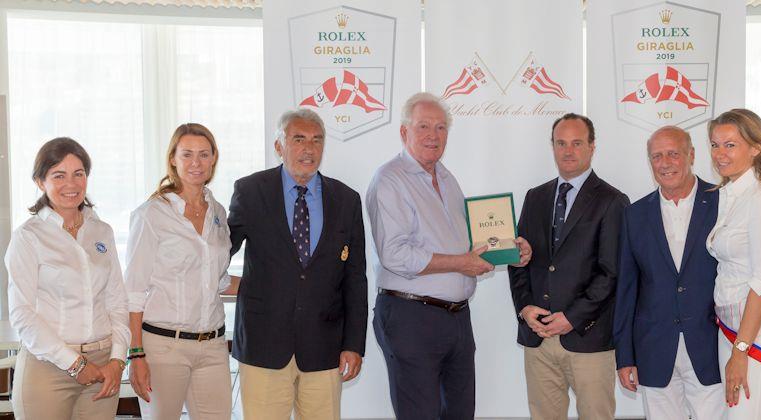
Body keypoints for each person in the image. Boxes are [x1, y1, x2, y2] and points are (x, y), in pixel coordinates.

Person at [367, 92, 532, 420]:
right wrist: (461, 263)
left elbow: (467, 242)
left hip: (456, 320)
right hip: (411, 316)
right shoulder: (389, 180)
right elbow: (395, 254)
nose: (433, 135)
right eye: (424, 126)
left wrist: (508, 250)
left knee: (459, 414)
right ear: (404, 132)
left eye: (441, 128)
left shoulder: (446, 178)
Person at [227, 108, 367, 420]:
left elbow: (355, 278)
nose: (309, 148)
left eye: (317, 140)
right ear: (279, 146)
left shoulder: (346, 199)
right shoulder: (250, 191)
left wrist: (354, 344)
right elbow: (220, 251)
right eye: (299, 139)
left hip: (324, 348)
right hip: (263, 345)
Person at [508, 113, 629, 420]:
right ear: (552, 146)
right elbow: (518, 260)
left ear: (592, 147)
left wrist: (571, 318)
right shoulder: (535, 197)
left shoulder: (612, 201)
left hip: (588, 339)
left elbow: (611, 273)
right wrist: (525, 308)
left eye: (577, 143)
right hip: (539, 339)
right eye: (561, 143)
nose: (568, 151)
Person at [5, 137, 130, 419]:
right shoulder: (28, 237)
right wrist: (75, 364)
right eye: (58, 175)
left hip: (103, 366)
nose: (71, 184)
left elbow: (117, 302)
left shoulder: (102, 231)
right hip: (49, 366)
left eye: (79, 174)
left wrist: (118, 359)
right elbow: (22, 314)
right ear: (40, 181)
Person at [125, 123, 238, 419]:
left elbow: (218, 280)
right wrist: (135, 354)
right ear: (173, 159)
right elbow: (133, 292)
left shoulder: (218, 212)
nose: (196, 163)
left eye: (203, 154)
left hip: (213, 346)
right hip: (163, 347)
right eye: (187, 154)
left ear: (214, 158)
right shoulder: (151, 214)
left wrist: (275, 283)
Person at [706, 109, 761, 419]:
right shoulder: (728, 193)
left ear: (756, 148)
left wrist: (741, 351)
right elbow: (755, 260)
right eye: (715, 145)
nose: (720, 153)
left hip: (755, 336)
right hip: (731, 327)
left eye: (730, 145)